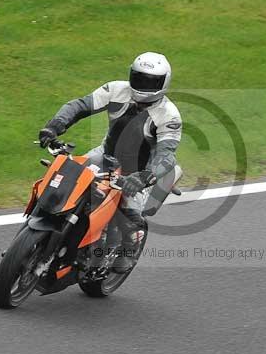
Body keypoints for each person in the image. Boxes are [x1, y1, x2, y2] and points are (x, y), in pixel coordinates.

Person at [38, 52, 182, 272]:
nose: (142, 84)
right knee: (65, 177)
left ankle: (131, 245)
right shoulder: (115, 89)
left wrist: (144, 177)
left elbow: (167, 154)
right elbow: (79, 106)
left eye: (150, 81)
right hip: (105, 154)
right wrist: (54, 126)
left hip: (139, 171)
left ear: (163, 83)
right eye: (139, 77)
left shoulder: (169, 115)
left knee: (128, 211)